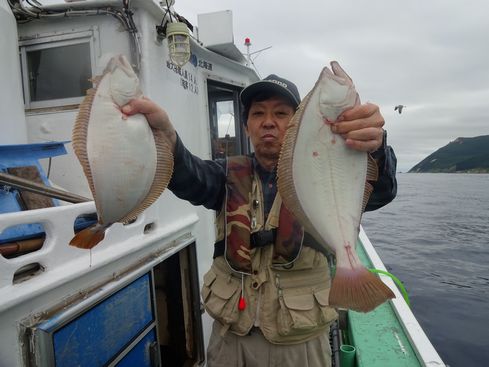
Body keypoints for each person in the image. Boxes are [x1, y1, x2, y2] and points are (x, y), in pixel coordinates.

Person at [122, 74, 397, 367]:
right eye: (258, 114)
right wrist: (167, 136)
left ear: (297, 124)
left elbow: (381, 191)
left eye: (280, 113)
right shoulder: (223, 176)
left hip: (300, 344)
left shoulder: (324, 171)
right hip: (231, 341)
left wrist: (376, 148)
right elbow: (189, 176)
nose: (268, 122)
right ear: (247, 126)